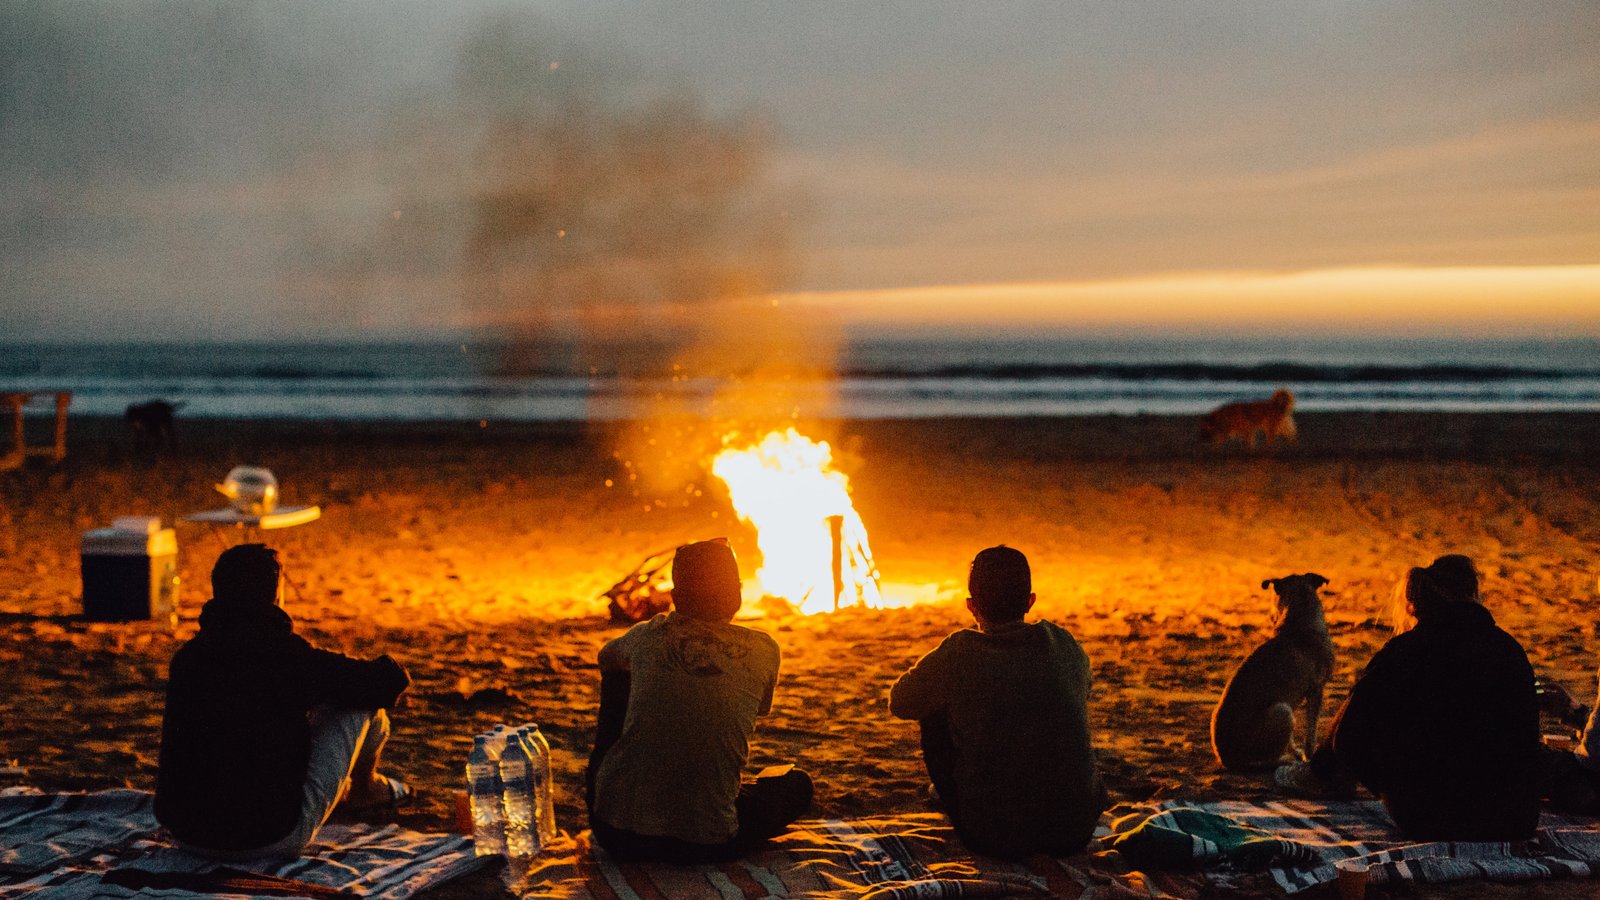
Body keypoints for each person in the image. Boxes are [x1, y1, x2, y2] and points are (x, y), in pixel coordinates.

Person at [155, 544, 412, 858]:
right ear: (274, 596)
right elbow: (383, 685)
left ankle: (365, 789)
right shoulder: (286, 657)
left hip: (187, 835)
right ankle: (366, 789)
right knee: (359, 706)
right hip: (270, 836)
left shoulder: (187, 660)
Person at [1276, 554, 1541, 841]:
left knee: (1364, 703)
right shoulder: (1509, 650)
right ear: (1475, 593)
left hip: (1433, 816)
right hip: (1515, 819)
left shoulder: (1405, 651)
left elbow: (1348, 739)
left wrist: (1390, 785)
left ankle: (1321, 772)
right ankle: (1322, 770)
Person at [586, 539, 812, 863]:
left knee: (618, 674)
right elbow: (757, 709)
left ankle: (616, 794)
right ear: (737, 594)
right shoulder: (764, 650)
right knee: (796, 786)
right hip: (704, 843)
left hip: (616, 834)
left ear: (675, 598)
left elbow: (606, 657)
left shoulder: (646, 636)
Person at [889, 546, 1107, 858]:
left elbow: (901, 702)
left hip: (995, 836)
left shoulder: (960, 652)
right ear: (1030, 601)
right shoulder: (1064, 644)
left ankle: (959, 797)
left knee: (932, 711)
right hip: (1076, 831)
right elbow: (1082, 691)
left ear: (971, 606)